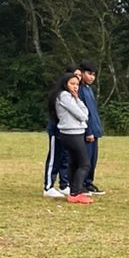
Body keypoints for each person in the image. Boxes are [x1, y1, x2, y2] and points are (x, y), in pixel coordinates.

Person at [53, 73, 93, 202]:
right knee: (85, 164)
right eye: (72, 84)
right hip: (71, 134)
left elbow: (86, 112)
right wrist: (76, 102)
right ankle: (76, 192)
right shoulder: (64, 96)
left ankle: (73, 191)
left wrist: (76, 99)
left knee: (75, 163)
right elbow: (82, 116)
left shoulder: (71, 97)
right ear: (65, 84)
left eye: (77, 84)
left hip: (75, 133)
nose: (75, 87)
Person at [43, 66, 80, 196]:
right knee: (54, 157)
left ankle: (64, 184)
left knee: (65, 158)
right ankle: (48, 187)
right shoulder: (60, 96)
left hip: (66, 132)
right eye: (73, 81)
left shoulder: (72, 96)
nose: (76, 84)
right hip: (56, 130)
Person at [78, 61, 104, 194]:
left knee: (93, 160)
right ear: (82, 73)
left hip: (95, 131)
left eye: (94, 75)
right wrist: (88, 131)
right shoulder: (80, 89)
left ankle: (89, 182)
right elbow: (83, 113)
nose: (92, 77)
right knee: (85, 160)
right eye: (89, 74)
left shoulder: (89, 89)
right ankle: (80, 184)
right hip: (87, 132)